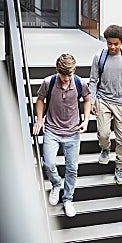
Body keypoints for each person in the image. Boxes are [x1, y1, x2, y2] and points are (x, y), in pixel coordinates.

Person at [33, 54, 91, 218]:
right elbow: (40, 99)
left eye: (69, 75)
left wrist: (86, 120)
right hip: (52, 130)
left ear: (74, 71)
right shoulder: (48, 82)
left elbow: (87, 100)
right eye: (63, 74)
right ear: (57, 70)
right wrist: (39, 120)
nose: (66, 79)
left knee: (72, 169)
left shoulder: (80, 83)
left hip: (73, 132)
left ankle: (67, 199)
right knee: (49, 164)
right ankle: (56, 184)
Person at [89, 25, 122, 185]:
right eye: (109, 43)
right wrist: (91, 100)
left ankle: (119, 167)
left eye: (115, 44)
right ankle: (105, 148)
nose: (112, 47)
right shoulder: (99, 57)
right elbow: (93, 80)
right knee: (104, 134)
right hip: (103, 100)